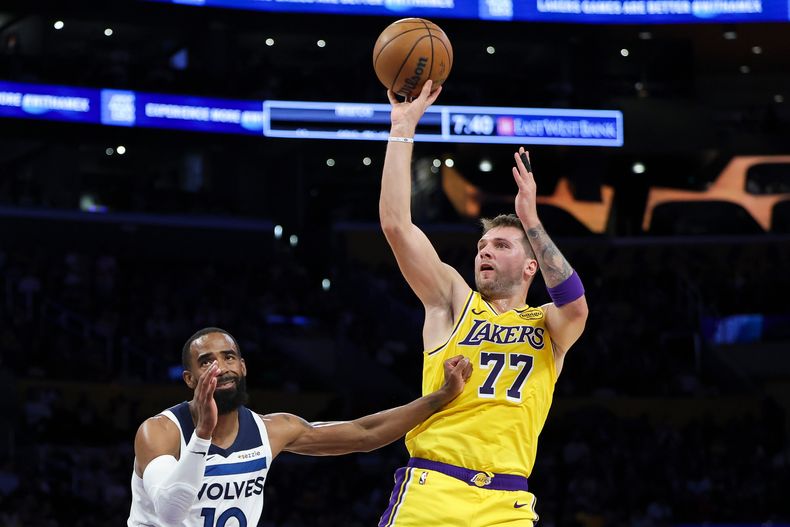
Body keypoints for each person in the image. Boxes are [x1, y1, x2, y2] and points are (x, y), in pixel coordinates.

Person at [377, 80, 589, 526]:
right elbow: (397, 227)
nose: (484, 251)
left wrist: (530, 220)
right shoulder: (453, 301)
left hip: (507, 503)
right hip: (433, 489)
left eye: (501, 245)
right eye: (482, 245)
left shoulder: (549, 326)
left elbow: (575, 304)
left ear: (532, 264)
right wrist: (402, 128)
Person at [128, 327, 472, 527]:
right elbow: (170, 514)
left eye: (229, 357)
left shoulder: (271, 431)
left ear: (243, 367)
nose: (221, 367)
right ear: (189, 379)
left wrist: (439, 397)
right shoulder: (160, 432)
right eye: (207, 362)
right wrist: (202, 433)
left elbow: (364, 434)